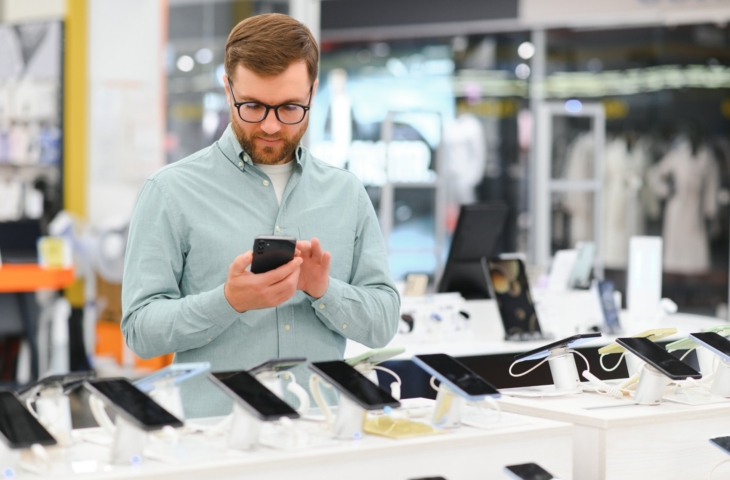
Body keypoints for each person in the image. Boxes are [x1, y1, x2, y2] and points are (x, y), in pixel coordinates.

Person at [121, 13, 400, 418]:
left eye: (289, 107)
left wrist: (325, 291)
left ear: (313, 91)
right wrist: (228, 301)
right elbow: (140, 330)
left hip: (323, 437)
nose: (270, 126)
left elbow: (382, 323)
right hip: (220, 447)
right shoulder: (169, 192)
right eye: (252, 105)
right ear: (227, 88)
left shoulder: (346, 192)